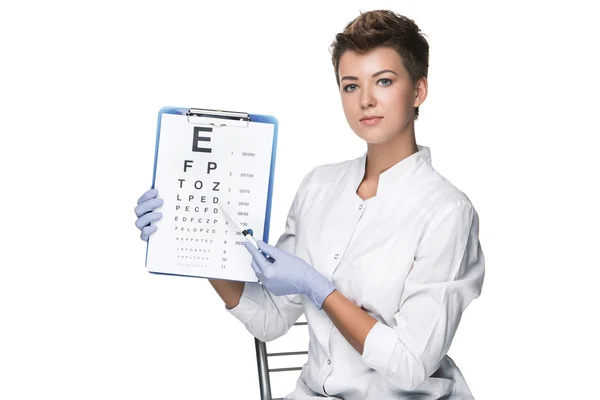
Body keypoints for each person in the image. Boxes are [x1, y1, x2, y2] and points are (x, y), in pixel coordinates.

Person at [134, 9, 485, 400]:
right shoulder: (319, 186)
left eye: (383, 81)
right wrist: (191, 237)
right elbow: (269, 318)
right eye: (351, 86)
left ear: (418, 90)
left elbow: (410, 365)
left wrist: (317, 287)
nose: (366, 100)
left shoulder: (446, 212)